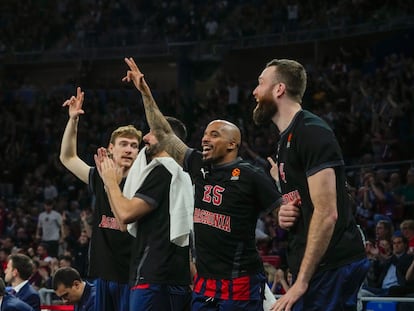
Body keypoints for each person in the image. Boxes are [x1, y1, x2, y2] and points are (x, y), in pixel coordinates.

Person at [122, 57, 299, 310]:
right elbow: (163, 133)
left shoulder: (250, 174)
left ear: (232, 144)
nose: (205, 139)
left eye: (214, 135)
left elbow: (282, 211)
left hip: (239, 281)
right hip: (205, 283)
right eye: (204, 134)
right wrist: (145, 92)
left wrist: (285, 207)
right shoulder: (198, 164)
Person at [252, 58, 369, 311]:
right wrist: (284, 210)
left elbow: (327, 212)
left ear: (279, 89)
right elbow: (301, 199)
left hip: (331, 266)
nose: (255, 91)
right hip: (316, 268)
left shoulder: (312, 131)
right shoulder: (285, 141)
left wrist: (301, 282)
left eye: (261, 83)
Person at [95, 115, 193, 311]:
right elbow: (124, 225)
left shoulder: (163, 171)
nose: (146, 138)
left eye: (151, 133)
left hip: (156, 277)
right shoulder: (176, 172)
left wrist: (111, 182)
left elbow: (125, 215)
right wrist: (109, 185)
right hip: (164, 277)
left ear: (168, 138)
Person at [59, 86, 142, 311]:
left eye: (134, 146)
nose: (129, 149)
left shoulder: (145, 182)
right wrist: (73, 121)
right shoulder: (99, 177)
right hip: (102, 275)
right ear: (110, 149)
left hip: (134, 277)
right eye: (124, 144)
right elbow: (67, 157)